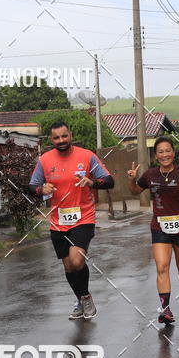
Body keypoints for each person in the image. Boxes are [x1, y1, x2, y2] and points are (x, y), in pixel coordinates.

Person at [29, 121, 114, 319]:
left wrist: (92, 182)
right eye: (56, 137)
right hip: (58, 221)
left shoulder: (87, 156)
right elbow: (32, 186)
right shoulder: (45, 160)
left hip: (83, 217)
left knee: (77, 259)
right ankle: (80, 299)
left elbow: (109, 180)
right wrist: (42, 189)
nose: (61, 141)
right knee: (68, 266)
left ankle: (85, 297)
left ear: (71, 135)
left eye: (64, 136)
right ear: (51, 140)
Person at [127, 137, 179, 324]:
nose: (164, 155)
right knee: (162, 267)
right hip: (159, 227)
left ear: (173, 153)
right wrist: (131, 180)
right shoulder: (150, 175)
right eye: (160, 152)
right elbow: (134, 191)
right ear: (156, 155)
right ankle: (165, 309)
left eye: (167, 151)